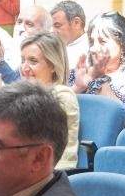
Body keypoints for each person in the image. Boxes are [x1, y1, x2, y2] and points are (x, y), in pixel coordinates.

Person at [18, 33, 79, 170]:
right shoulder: (23, 94)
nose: (25, 69)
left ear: (52, 65)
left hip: (55, 173)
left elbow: (30, 132)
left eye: (33, 61)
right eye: (23, 60)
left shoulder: (63, 95)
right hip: (27, 170)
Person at [72, 13, 125, 106]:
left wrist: (102, 79)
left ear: (123, 44)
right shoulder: (79, 73)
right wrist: (78, 87)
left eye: (102, 41)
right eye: (92, 42)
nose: (93, 48)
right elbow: (58, 109)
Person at [49, 0, 88, 68]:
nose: (52, 31)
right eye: (51, 26)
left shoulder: (91, 50)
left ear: (77, 23)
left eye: (57, 26)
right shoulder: (54, 46)